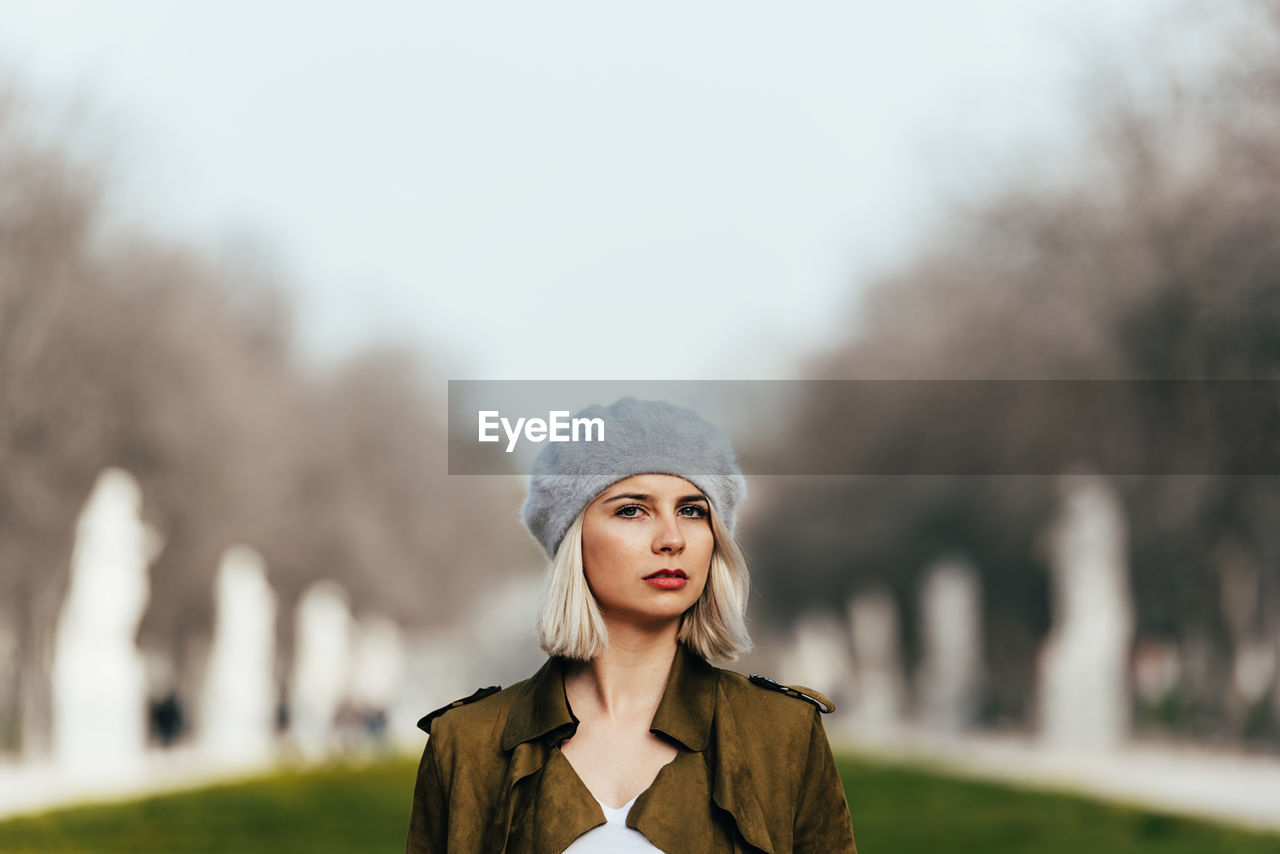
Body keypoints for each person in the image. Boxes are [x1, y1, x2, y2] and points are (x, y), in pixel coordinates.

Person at [405, 398, 857, 853]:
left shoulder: (784, 733)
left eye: (692, 510)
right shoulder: (465, 744)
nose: (672, 539)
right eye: (631, 510)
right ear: (572, 537)